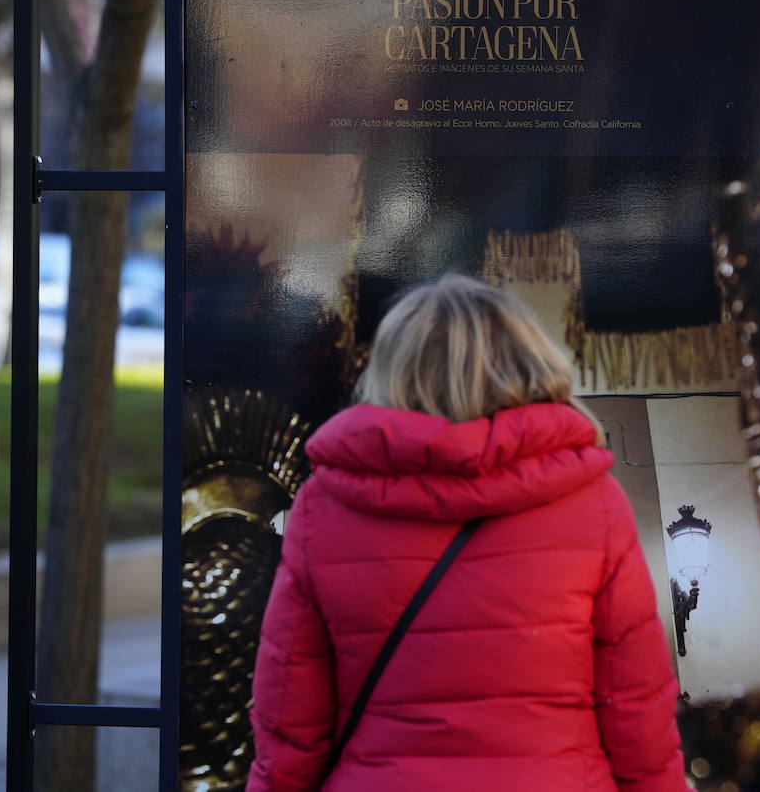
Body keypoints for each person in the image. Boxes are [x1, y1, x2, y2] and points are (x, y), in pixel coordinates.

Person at [247, 274, 688, 791]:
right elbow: (634, 706)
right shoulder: (592, 502)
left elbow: (291, 720)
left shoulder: (324, 508)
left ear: (391, 371)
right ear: (526, 363)